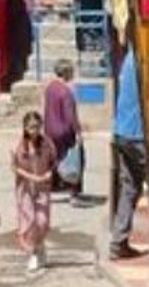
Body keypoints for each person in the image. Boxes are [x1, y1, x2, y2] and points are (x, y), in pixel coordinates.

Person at [109, 47, 147, 262]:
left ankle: (118, 242)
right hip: (138, 133)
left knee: (129, 188)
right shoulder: (144, 57)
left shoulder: (129, 58)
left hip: (122, 131)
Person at [11, 111, 56, 273]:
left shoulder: (47, 144)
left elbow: (53, 162)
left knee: (42, 221)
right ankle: (34, 253)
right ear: (25, 128)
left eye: (37, 127)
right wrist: (32, 177)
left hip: (42, 188)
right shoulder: (18, 146)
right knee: (30, 222)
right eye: (31, 128)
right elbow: (14, 168)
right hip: (25, 190)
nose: (34, 131)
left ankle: (40, 245)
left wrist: (49, 173)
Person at [43, 59, 83, 202]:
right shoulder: (66, 92)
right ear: (67, 73)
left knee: (53, 160)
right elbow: (70, 115)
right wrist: (77, 132)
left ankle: (49, 189)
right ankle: (74, 192)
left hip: (50, 130)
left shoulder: (50, 88)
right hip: (64, 131)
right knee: (76, 159)